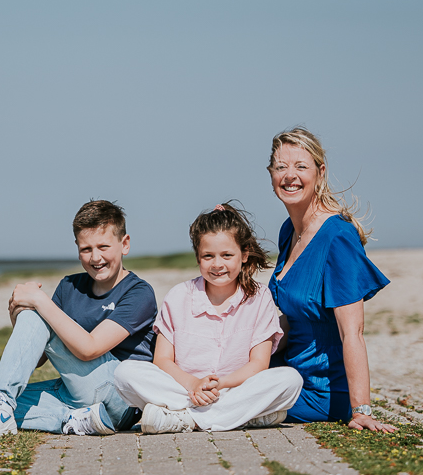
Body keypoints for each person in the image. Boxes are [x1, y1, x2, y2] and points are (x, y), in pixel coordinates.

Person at [0, 200, 157, 437]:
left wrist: (39, 302)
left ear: (125, 244)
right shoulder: (69, 286)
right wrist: (20, 317)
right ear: (77, 247)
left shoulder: (139, 293)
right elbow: (39, 359)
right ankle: (71, 419)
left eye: (103, 246)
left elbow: (89, 349)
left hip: (121, 397)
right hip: (74, 394)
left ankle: (1, 403)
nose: (95, 257)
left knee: (37, 314)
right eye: (86, 249)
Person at [114, 203, 303, 434]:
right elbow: (162, 361)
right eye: (208, 256)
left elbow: (259, 364)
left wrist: (220, 385)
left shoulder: (260, 297)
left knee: (290, 379)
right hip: (184, 389)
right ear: (197, 257)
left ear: (243, 255)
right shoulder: (178, 296)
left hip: (237, 389)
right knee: (125, 374)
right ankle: (237, 417)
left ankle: (186, 419)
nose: (217, 264)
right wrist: (194, 384)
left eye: (226, 255)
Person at [266, 127, 395, 432]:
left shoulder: (338, 237)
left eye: (300, 166)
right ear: (270, 174)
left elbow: (353, 333)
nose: (289, 176)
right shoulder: (289, 231)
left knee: (231, 396)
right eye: (281, 167)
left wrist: (361, 409)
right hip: (289, 372)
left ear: (320, 173)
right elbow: (292, 320)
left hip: (322, 390)